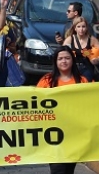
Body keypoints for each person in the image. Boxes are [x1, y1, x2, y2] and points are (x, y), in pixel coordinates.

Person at [35, 45, 88, 174]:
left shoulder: (82, 81)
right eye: (60, 59)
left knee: (69, 170)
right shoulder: (46, 81)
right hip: (53, 136)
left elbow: (89, 105)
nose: (63, 61)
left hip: (74, 135)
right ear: (56, 61)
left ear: (72, 60)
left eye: (67, 58)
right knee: (57, 170)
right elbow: (35, 104)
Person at [63, 16, 99, 82]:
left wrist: (98, 59)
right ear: (75, 28)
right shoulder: (70, 39)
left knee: (86, 85)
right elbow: (62, 52)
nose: (81, 29)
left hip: (87, 68)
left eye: (83, 27)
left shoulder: (91, 39)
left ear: (86, 28)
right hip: (73, 68)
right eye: (78, 27)